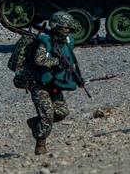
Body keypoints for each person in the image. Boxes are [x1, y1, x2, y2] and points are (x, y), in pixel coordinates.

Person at [27, 11, 81, 155]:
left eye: (68, 28)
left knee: (62, 112)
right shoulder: (45, 42)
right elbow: (39, 60)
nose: (67, 30)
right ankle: (40, 144)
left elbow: (69, 61)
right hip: (40, 85)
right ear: (56, 27)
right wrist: (56, 62)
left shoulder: (66, 43)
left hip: (55, 85)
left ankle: (36, 123)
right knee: (47, 115)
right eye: (64, 27)